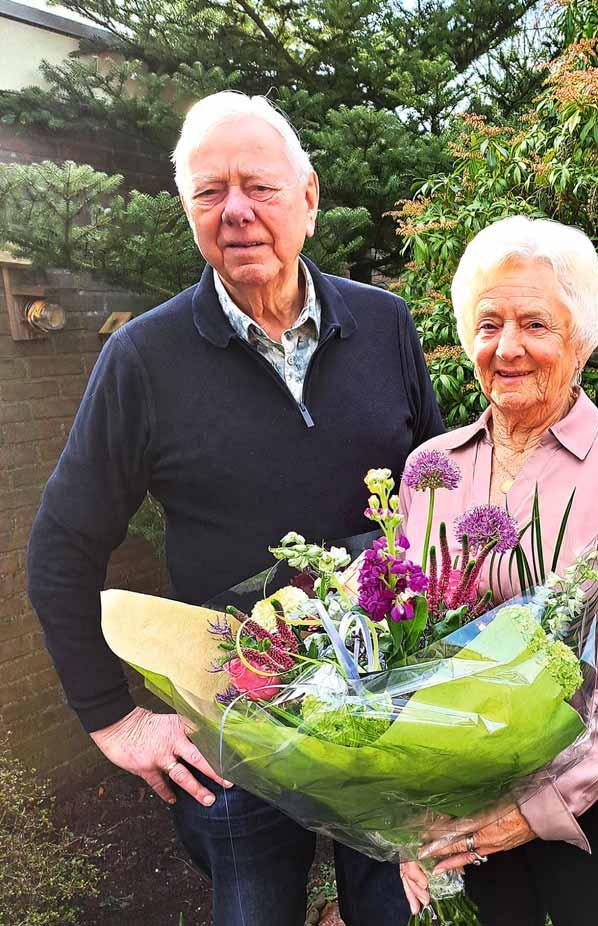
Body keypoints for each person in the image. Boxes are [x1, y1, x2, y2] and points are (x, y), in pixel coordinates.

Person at [26, 91, 444, 926]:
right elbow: (61, 548)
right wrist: (113, 719)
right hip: (236, 736)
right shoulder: (142, 359)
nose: (237, 211)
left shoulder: (384, 324)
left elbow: (436, 498)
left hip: (387, 710)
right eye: (210, 192)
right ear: (188, 210)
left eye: (259, 186)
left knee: (388, 913)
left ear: (308, 197)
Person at [395, 215, 598, 925]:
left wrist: (539, 807)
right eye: (488, 324)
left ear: (580, 338)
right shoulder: (430, 468)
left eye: (535, 324)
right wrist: (402, 806)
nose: (508, 347)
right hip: (467, 785)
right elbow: (400, 641)